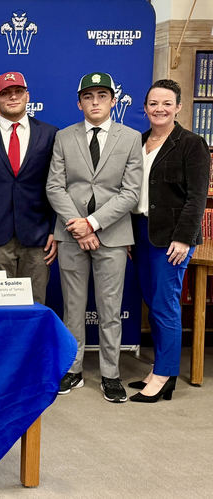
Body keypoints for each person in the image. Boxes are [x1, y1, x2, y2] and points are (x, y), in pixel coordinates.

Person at [46, 72, 143, 403]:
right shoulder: (64, 137)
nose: (96, 101)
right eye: (89, 96)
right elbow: (54, 186)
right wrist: (77, 225)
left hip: (112, 235)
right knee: (72, 307)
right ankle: (73, 370)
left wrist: (94, 223)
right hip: (71, 234)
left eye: (102, 95)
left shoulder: (130, 138)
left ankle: (110, 374)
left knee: (110, 309)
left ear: (113, 101)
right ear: (79, 102)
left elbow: (131, 193)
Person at [128, 79, 210, 403]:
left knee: (165, 306)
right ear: (145, 108)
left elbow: (196, 198)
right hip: (142, 233)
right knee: (153, 301)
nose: (159, 109)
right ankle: (158, 371)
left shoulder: (192, 144)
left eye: (166, 103)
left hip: (172, 240)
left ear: (178, 107)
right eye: (153, 103)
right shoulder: (140, 141)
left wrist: (184, 239)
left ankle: (164, 375)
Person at [0, 71, 58, 304]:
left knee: (35, 306)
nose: (12, 97)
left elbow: (57, 186)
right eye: (5, 94)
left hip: (38, 238)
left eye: (18, 92)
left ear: (27, 96)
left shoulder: (50, 134)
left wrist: (57, 230)